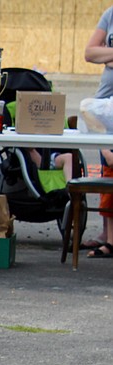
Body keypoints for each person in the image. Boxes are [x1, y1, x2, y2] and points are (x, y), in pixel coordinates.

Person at [83, 10, 113, 256]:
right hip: (104, 105)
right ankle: (108, 233)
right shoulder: (110, 14)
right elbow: (90, 52)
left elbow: (99, 54)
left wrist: (107, 56)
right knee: (108, 169)